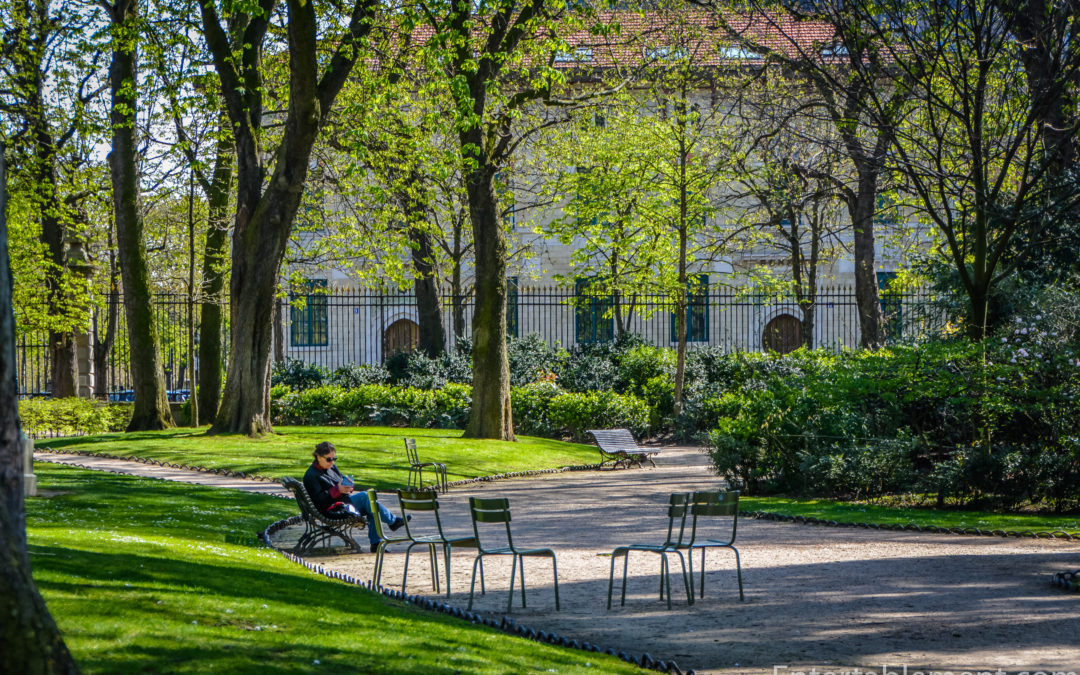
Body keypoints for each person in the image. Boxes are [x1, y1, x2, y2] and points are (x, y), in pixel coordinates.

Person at [303, 441, 406, 553]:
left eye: (334, 459)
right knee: (365, 497)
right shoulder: (311, 475)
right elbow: (320, 500)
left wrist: (348, 486)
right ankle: (391, 523)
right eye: (329, 459)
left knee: (371, 506)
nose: (332, 462)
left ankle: (378, 541)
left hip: (342, 503)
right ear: (318, 457)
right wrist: (338, 490)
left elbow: (341, 481)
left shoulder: (331, 468)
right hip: (331, 509)